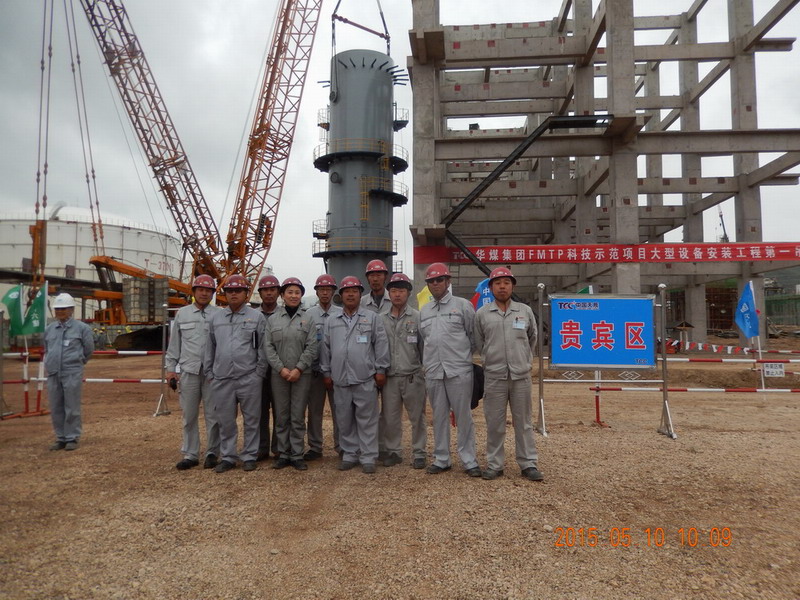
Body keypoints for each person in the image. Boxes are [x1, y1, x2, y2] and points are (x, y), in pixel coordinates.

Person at [475, 267, 544, 482]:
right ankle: (495, 464)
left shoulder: (524, 311)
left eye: (506, 282)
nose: (502, 287)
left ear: (512, 286)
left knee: (523, 422)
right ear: (491, 288)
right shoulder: (482, 314)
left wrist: (522, 359)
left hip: (520, 376)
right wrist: (491, 360)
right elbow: (480, 342)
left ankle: (528, 463)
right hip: (494, 376)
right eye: (497, 283)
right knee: (495, 423)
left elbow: (532, 338)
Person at [319, 276, 390, 474]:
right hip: (340, 379)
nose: (350, 295)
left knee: (367, 419)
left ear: (360, 295)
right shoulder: (332, 321)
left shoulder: (371, 318)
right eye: (347, 292)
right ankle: (350, 454)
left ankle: (368, 456)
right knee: (344, 419)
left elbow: (381, 344)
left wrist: (381, 369)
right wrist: (326, 372)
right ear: (341, 295)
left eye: (355, 291)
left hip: (365, 378)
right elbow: (325, 348)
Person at [419, 263, 481, 477]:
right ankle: (442, 458)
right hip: (434, 371)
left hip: (458, 371)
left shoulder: (463, 306)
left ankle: (469, 460)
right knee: (439, 416)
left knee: (463, 416)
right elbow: (424, 341)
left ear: (448, 281)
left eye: (439, 280)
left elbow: (473, 338)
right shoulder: (424, 311)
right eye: (431, 281)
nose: (435, 283)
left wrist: (460, 358)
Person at [204, 274, 267, 473]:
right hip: (222, 378)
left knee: (252, 419)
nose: (234, 294)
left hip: (249, 377)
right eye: (230, 291)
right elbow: (210, 347)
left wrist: (258, 373)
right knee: (225, 420)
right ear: (225, 293)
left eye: (238, 291)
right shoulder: (216, 318)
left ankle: (249, 456)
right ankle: (228, 457)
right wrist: (210, 372)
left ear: (246, 294)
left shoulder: (256, 317)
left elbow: (263, 348)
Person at [165, 274, 221, 470]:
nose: (204, 293)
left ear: (213, 293)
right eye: (201, 290)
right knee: (189, 415)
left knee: (213, 415)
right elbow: (175, 344)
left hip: (212, 373)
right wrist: (170, 369)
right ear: (194, 292)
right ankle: (190, 453)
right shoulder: (182, 314)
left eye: (208, 290)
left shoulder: (219, 314)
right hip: (189, 371)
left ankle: (213, 452)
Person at [263, 277, 317, 471]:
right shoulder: (273, 320)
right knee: (282, 414)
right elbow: (268, 347)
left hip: (302, 374)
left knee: (297, 415)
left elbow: (312, 346)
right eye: (290, 292)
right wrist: (281, 369)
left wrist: (299, 368)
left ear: (301, 295)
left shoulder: (308, 318)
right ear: (282, 295)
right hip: (279, 375)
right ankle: (283, 453)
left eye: (297, 292)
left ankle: (296, 454)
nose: (294, 296)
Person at [380, 273, 427, 469]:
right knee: (390, 418)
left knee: (417, 417)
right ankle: (394, 451)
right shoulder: (381, 319)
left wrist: (423, 370)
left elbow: (424, 346)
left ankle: (419, 452)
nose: (397, 294)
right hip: (390, 377)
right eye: (393, 291)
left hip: (413, 376)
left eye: (401, 290)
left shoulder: (417, 317)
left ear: (408, 293)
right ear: (389, 294)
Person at [44, 293, 94, 451]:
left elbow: (88, 349)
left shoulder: (82, 328)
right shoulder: (49, 329)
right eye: (57, 309)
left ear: (71, 309)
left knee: (71, 406)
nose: (60, 311)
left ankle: (72, 437)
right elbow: (47, 349)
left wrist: (78, 362)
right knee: (56, 406)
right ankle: (61, 438)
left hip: (71, 372)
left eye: (63, 308)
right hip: (53, 372)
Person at [304, 274, 342, 460]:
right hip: (315, 371)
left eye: (328, 289)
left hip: (337, 371)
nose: (325, 293)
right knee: (315, 410)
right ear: (317, 292)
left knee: (339, 410)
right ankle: (315, 446)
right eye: (321, 289)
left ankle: (342, 446)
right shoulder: (308, 314)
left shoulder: (341, 313)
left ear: (334, 291)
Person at [256, 274, 281, 461]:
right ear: (260, 293)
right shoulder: (252, 315)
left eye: (273, 289)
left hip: (279, 370)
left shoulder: (285, 314)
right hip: (258, 371)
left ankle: (279, 448)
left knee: (280, 411)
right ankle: (260, 448)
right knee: (259, 411)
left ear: (278, 292)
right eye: (265, 290)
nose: (269, 293)